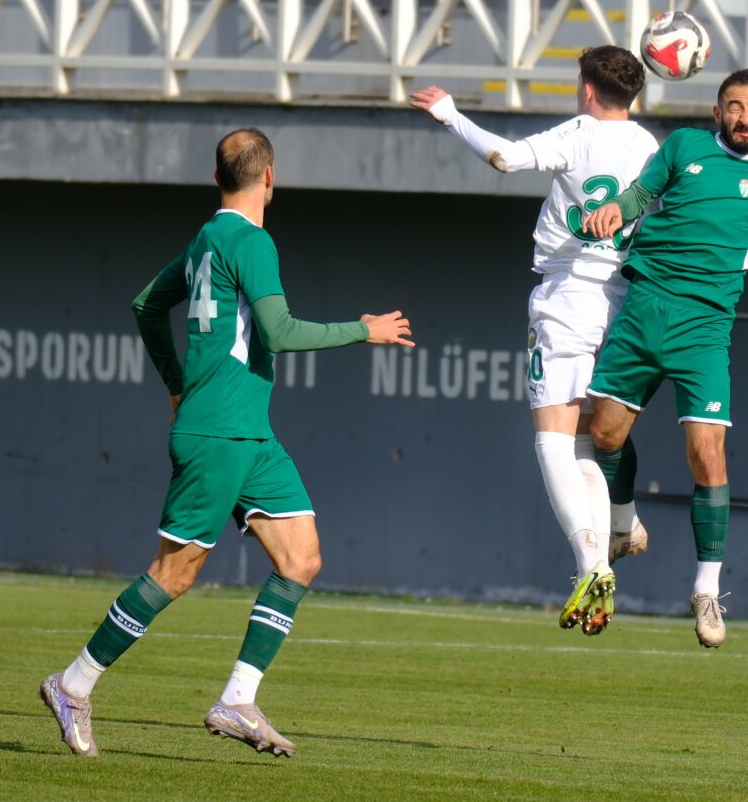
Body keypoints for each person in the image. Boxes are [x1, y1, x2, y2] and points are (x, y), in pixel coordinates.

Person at [39, 128, 414, 758]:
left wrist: (176, 384)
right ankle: (72, 684)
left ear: (219, 178)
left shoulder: (204, 240)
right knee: (174, 575)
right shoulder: (250, 241)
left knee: (300, 558)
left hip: (248, 432)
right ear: (270, 176)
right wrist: (363, 330)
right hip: (218, 434)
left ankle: (237, 698)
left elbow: (143, 306)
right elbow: (281, 330)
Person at [410, 46, 658, 636]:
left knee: (552, 439)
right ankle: (604, 553)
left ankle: (589, 561)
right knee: (586, 444)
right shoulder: (650, 147)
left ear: (588, 90)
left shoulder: (577, 132)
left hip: (568, 294)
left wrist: (450, 115)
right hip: (622, 300)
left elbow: (504, 157)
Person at [582, 68, 748, 648]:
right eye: (735, 105)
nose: (745, 115)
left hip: (705, 327)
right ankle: (624, 525)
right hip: (646, 306)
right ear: (716, 112)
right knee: (605, 436)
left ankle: (706, 591)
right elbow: (641, 193)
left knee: (707, 453)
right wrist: (619, 209)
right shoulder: (685, 146)